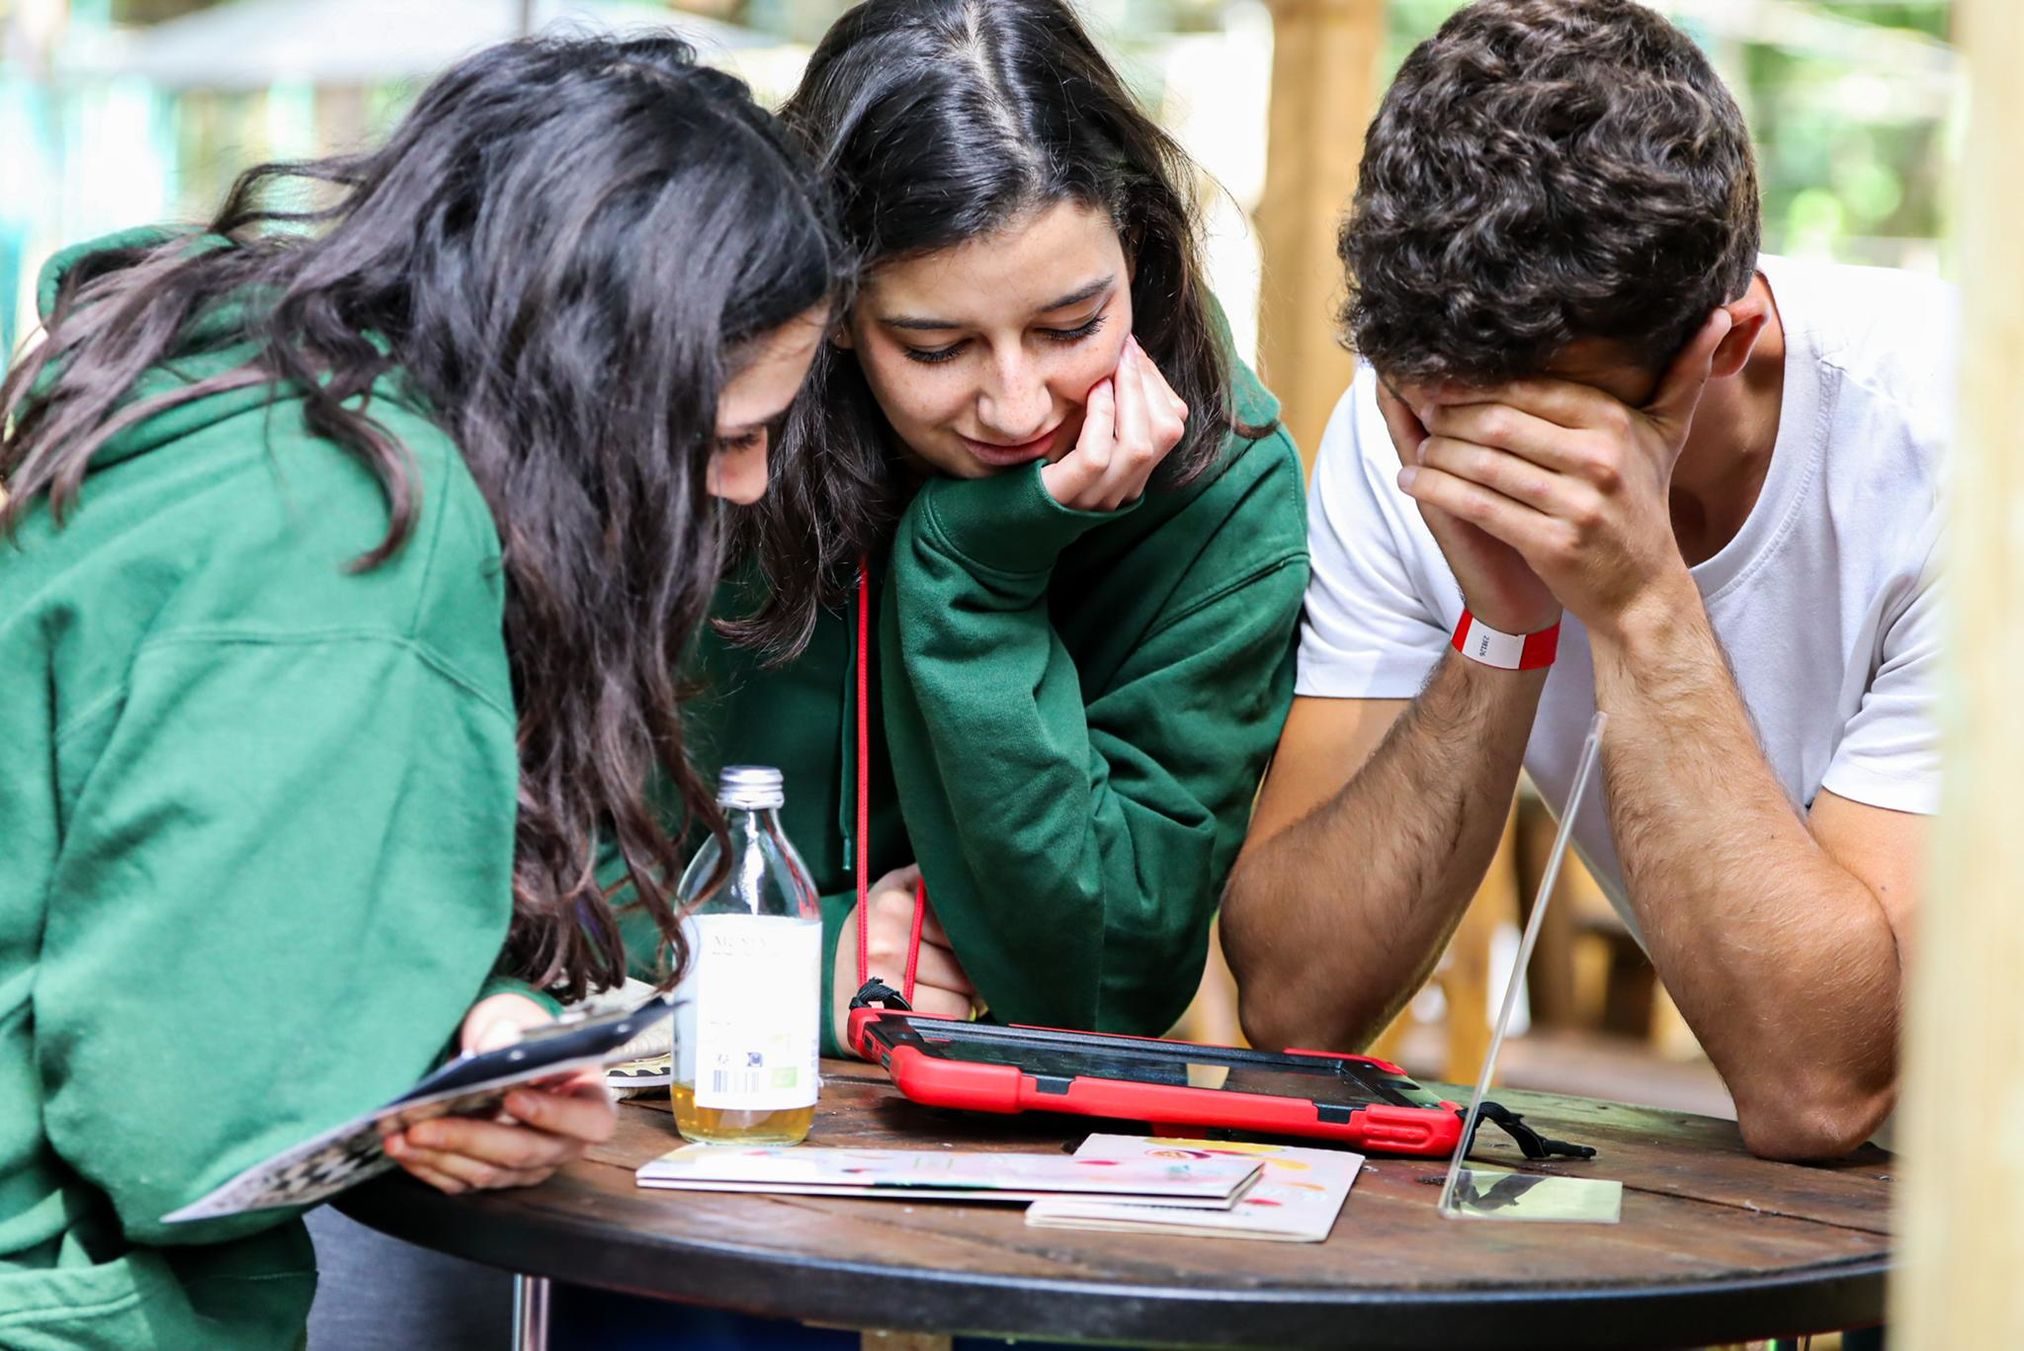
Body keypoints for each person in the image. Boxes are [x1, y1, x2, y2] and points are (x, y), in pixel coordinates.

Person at [0, 34, 841, 1350]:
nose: (747, 482)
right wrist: (425, 1088)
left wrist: (477, 1019)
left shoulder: (251, 401)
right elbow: (184, 1125)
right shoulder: (365, 527)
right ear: (597, 386)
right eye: (730, 432)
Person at [1222, 0, 1944, 1164]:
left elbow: (1818, 1087)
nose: (1478, 463)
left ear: (1721, 344)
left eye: (1542, 433)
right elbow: (1296, 1007)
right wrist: (1498, 629)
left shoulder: (1953, 452)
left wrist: (1642, 603)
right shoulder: (1401, 422)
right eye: (1442, 410)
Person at [619, 0, 1308, 1062]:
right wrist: (788, 964)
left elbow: (1108, 982)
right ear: (832, 303)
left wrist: (979, 573)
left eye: (1070, 326)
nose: (1018, 407)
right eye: (935, 348)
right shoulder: (716, 424)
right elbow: (527, 864)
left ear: (1135, 245)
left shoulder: (1225, 482)